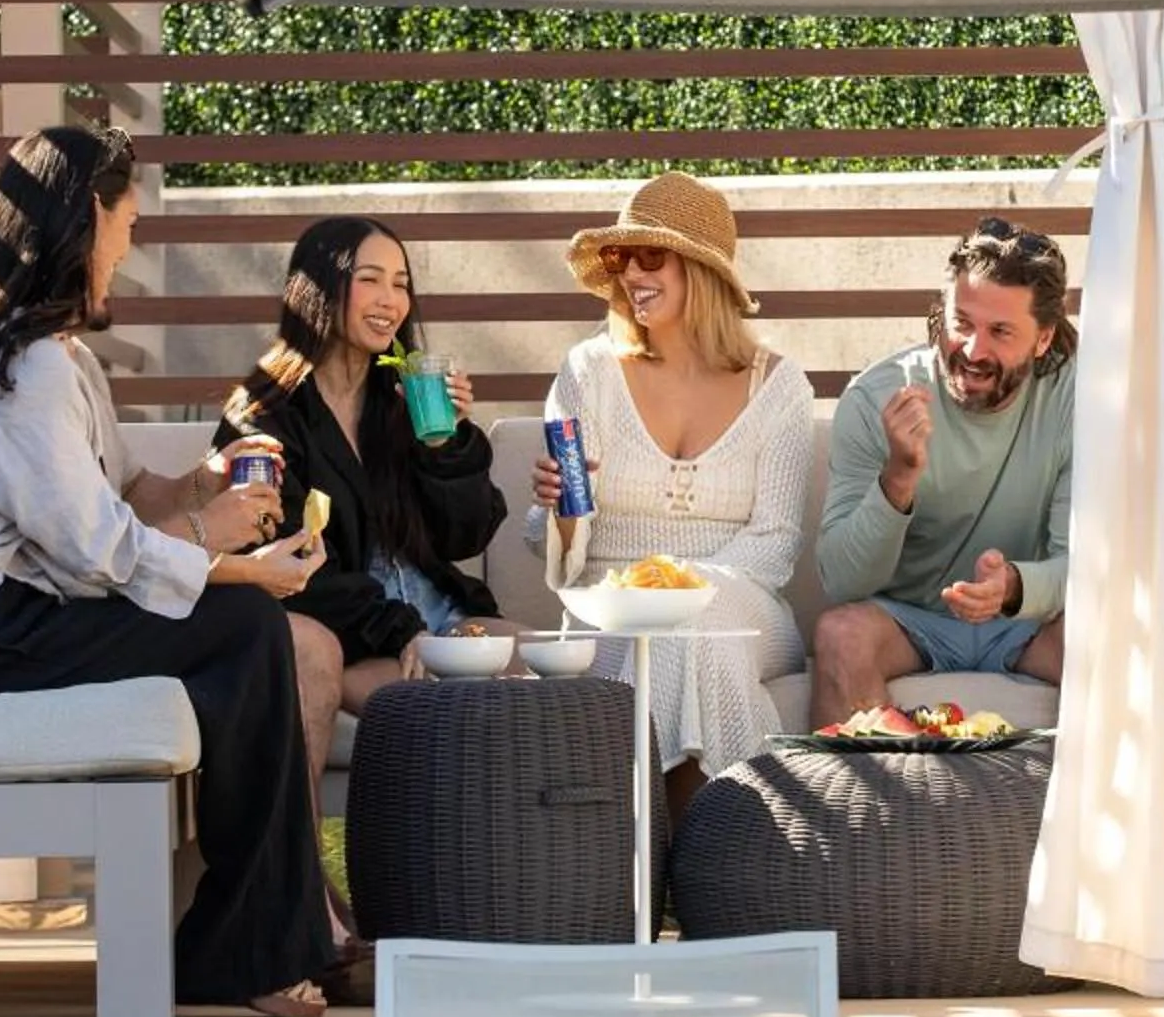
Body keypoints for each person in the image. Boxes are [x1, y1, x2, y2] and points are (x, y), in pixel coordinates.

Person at [0, 125, 340, 1017]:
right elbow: (95, 548)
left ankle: (244, 942)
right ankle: (244, 948)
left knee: (246, 637)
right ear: (86, 221)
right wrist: (229, 556)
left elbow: (119, 492)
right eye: (125, 225)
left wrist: (205, 480)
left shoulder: (55, 355)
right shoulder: (25, 366)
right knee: (246, 631)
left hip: (13, 612)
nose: (129, 247)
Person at [529, 173, 813, 811]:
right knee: (667, 635)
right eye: (619, 256)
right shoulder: (588, 372)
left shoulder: (779, 385)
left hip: (740, 603)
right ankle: (723, 859)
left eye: (650, 254)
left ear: (701, 269)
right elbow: (559, 548)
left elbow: (774, 545)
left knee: (688, 623)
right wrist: (561, 511)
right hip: (610, 604)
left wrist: (678, 586)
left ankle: (641, 863)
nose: (631, 272)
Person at [215, 217, 509, 723]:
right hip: (351, 633)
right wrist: (400, 632)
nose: (390, 300)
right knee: (448, 714)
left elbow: (466, 538)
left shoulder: (403, 400)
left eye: (401, 284)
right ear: (321, 288)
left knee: (558, 683)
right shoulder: (264, 417)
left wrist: (445, 443)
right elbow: (290, 564)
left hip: (436, 613)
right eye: (370, 279)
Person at [809, 216, 1078, 727]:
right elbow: (842, 582)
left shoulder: (1075, 397)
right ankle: (871, 806)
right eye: (962, 323)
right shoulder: (875, 399)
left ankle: (1089, 809)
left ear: (1043, 339)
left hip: (1028, 619)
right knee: (840, 634)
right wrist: (897, 481)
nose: (973, 351)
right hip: (908, 620)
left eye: (1000, 332)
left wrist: (1014, 587)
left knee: (1120, 634)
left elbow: (1087, 570)